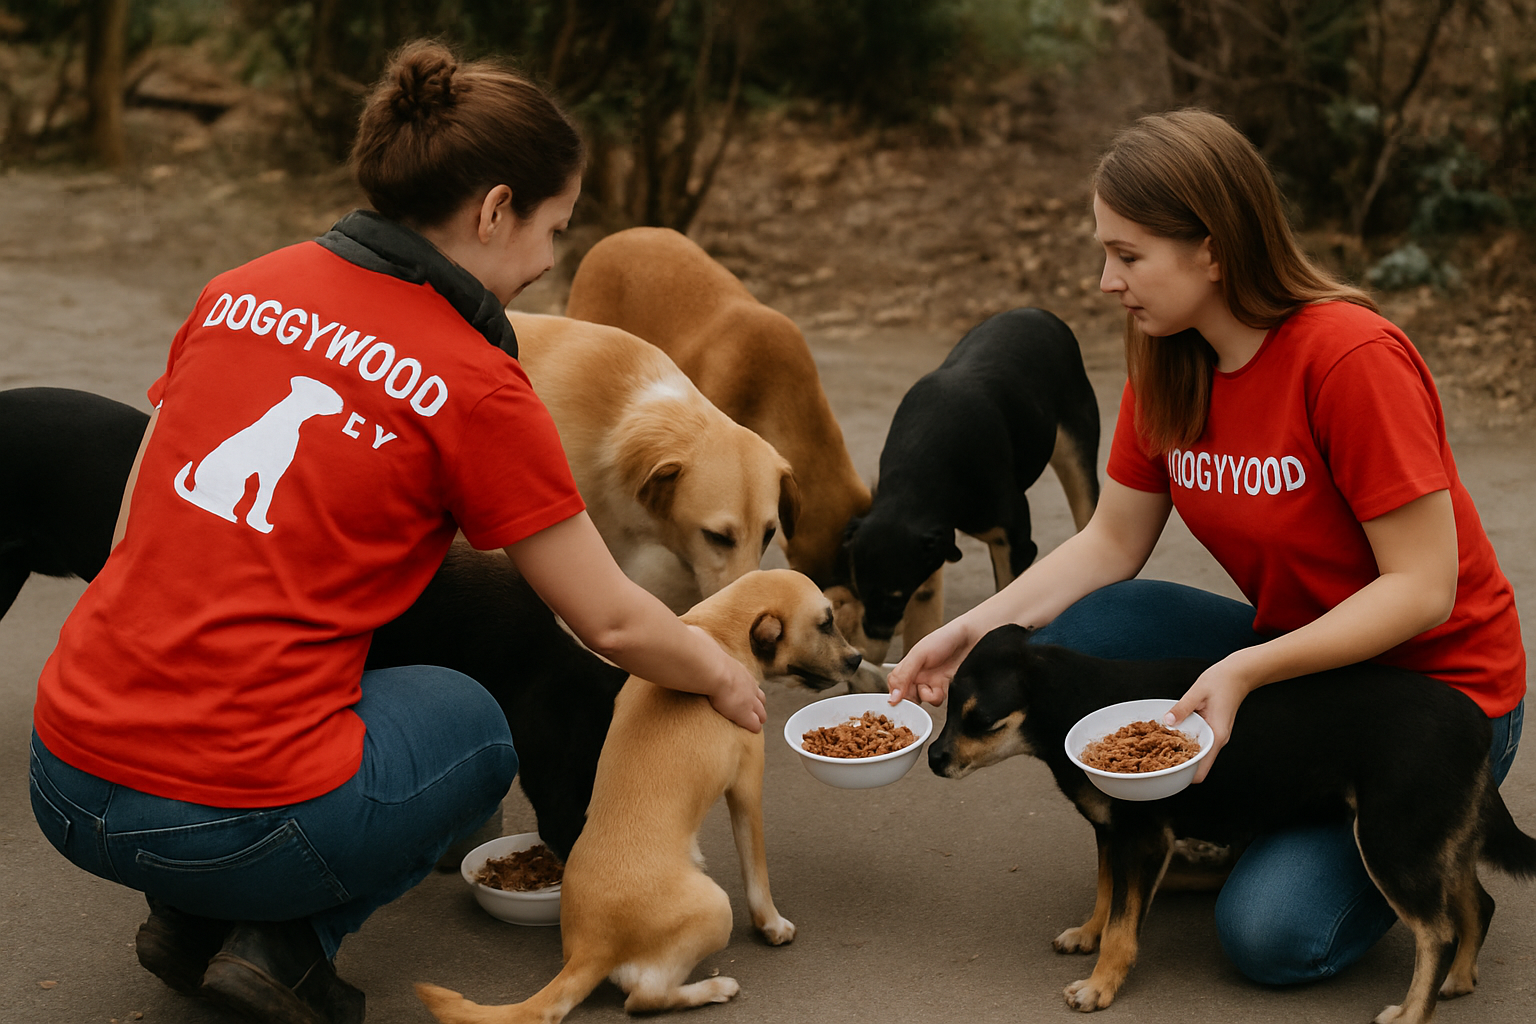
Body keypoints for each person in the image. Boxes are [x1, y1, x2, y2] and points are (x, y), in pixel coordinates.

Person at [28, 39, 765, 1024]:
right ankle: (286, 944)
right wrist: (722, 673)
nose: (550, 262)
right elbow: (614, 623)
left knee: (346, 651)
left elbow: (139, 515)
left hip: (65, 773)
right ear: (496, 208)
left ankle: (191, 919)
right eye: (554, 228)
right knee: (472, 718)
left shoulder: (240, 285)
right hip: (230, 819)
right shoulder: (474, 379)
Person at [888, 108, 1525, 985]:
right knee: (1088, 631)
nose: (1107, 281)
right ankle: (1254, 811)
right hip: (1301, 665)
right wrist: (975, 633)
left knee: (1271, 937)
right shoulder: (1168, 359)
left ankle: (1316, 828)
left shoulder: (1349, 358)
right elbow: (1109, 543)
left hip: (1437, 700)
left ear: (1214, 248)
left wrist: (1242, 674)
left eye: (1129, 254)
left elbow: (1423, 590)